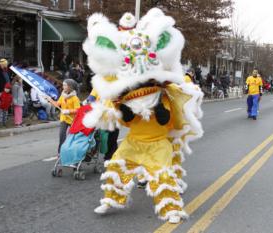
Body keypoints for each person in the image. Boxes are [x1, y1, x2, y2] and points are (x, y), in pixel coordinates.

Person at [83, 9, 203, 223]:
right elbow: (124, 122)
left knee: (163, 175)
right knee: (116, 166)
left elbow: (169, 122)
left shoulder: (163, 97)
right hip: (134, 142)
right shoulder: (127, 100)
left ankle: (171, 209)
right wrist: (127, 110)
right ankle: (111, 200)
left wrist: (158, 108)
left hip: (158, 144)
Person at [46, 79, 80, 155]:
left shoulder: (75, 98)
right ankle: (60, 152)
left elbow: (78, 110)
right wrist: (50, 100)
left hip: (72, 120)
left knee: (72, 137)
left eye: (65, 85)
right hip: (64, 119)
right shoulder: (62, 95)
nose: (63, 86)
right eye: (63, 85)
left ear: (70, 87)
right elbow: (57, 104)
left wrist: (68, 111)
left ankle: (72, 151)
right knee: (61, 136)